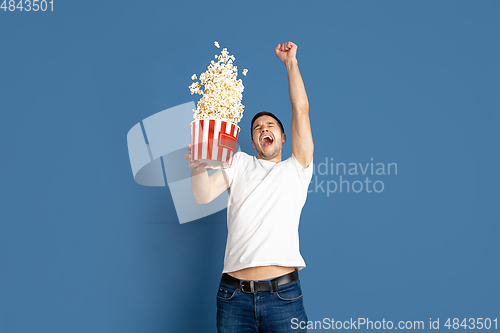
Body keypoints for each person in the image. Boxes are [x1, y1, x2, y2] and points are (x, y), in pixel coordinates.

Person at [185, 41, 314, 332]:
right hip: (233, 297)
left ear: (283, 138)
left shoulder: (297, 168)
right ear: (254, 141)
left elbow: (301, 111)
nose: (263, 129)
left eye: (270, 126)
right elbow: (203, 196)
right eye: (257, 128)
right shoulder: (238, 163)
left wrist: (290, 63)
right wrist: (198, 169)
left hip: (283, 297)